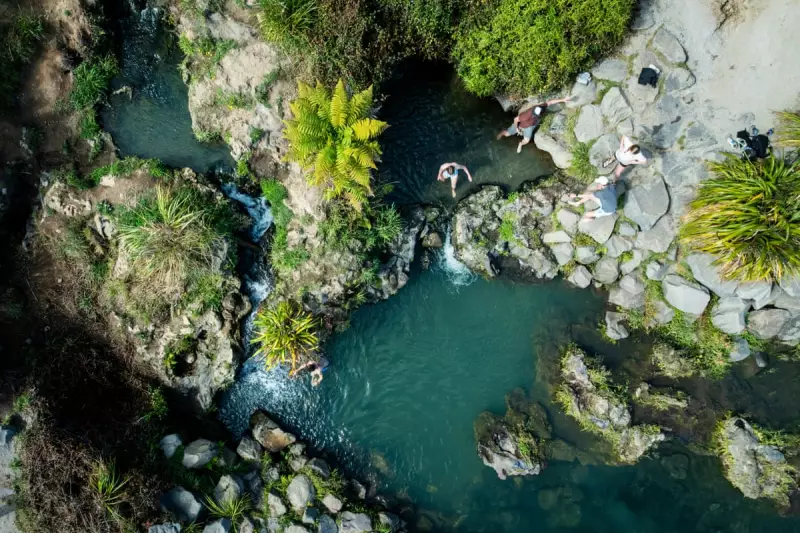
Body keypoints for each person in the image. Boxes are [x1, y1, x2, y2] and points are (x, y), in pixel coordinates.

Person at [497, 96, 572, 153]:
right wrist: (517, 128)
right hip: (521, 125)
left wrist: (563, 100)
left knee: (526, 140)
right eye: (536, 115)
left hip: (530, 126)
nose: (538, 115)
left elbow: (551, 102)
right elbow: (515, 119)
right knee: (507, 134)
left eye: (538, 114)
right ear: (533, 112)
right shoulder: (526, 115)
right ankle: (502, 133)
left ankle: (520, 144)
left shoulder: (541, 107)